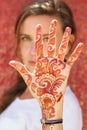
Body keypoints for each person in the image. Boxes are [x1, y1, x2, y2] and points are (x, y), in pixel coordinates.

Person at [0, 0, 83, 130]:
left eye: (46, 39)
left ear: (67, 44)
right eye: (26, 38)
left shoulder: (65, 107)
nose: (34, 51)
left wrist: (52, 117)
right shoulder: (21, 93)